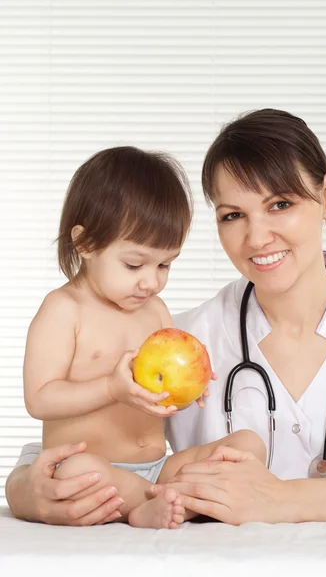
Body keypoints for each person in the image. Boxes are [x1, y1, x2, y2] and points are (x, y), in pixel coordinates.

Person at [6, 109, 326, 526]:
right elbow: (91, 437)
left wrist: (284, 499)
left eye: (280, 204)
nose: (257, 237)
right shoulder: (176, 342)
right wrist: (25, 491)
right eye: (232, 215)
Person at [6, 144, 266, 528]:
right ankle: (153, 506)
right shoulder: (65, 309)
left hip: (156, 467)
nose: (151, 281)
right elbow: (39, 399)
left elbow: (157, 390)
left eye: (165, 264)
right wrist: (111, 388)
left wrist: (186, 389)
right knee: (77, 471)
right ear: (85, 243)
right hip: (92, 467)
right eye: (134, 264)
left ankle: (165, 497)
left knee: (248, 444)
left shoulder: (155, 310)